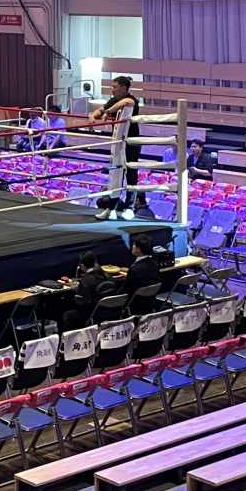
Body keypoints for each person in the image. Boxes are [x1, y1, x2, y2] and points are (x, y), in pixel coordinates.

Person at [90, 75, 146, 216]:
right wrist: (92, 116)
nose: (112, 90)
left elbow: (126, 102)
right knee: (115, 175)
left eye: (115, 87)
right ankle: (111, 208)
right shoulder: (113, 100)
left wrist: (108, 112)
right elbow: (100, 110)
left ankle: (129, 208)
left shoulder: (132, 100)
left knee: (131, 174)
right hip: (118, 142)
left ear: (123, 88)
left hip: (131, 143)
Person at [63, 251, 109, 329]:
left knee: (67, 313)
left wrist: (77, 290)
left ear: (82, 266)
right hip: (107, 311)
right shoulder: (106, 276)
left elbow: (79, 302)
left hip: (91, 313)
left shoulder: (86, 281)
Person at [123, 234, 161, 315]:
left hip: (135, 304)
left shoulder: (134, 269)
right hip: (150, 303)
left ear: (139, 249)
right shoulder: (155, 264)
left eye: (134, 245)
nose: (132, 246)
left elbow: (127, 288)